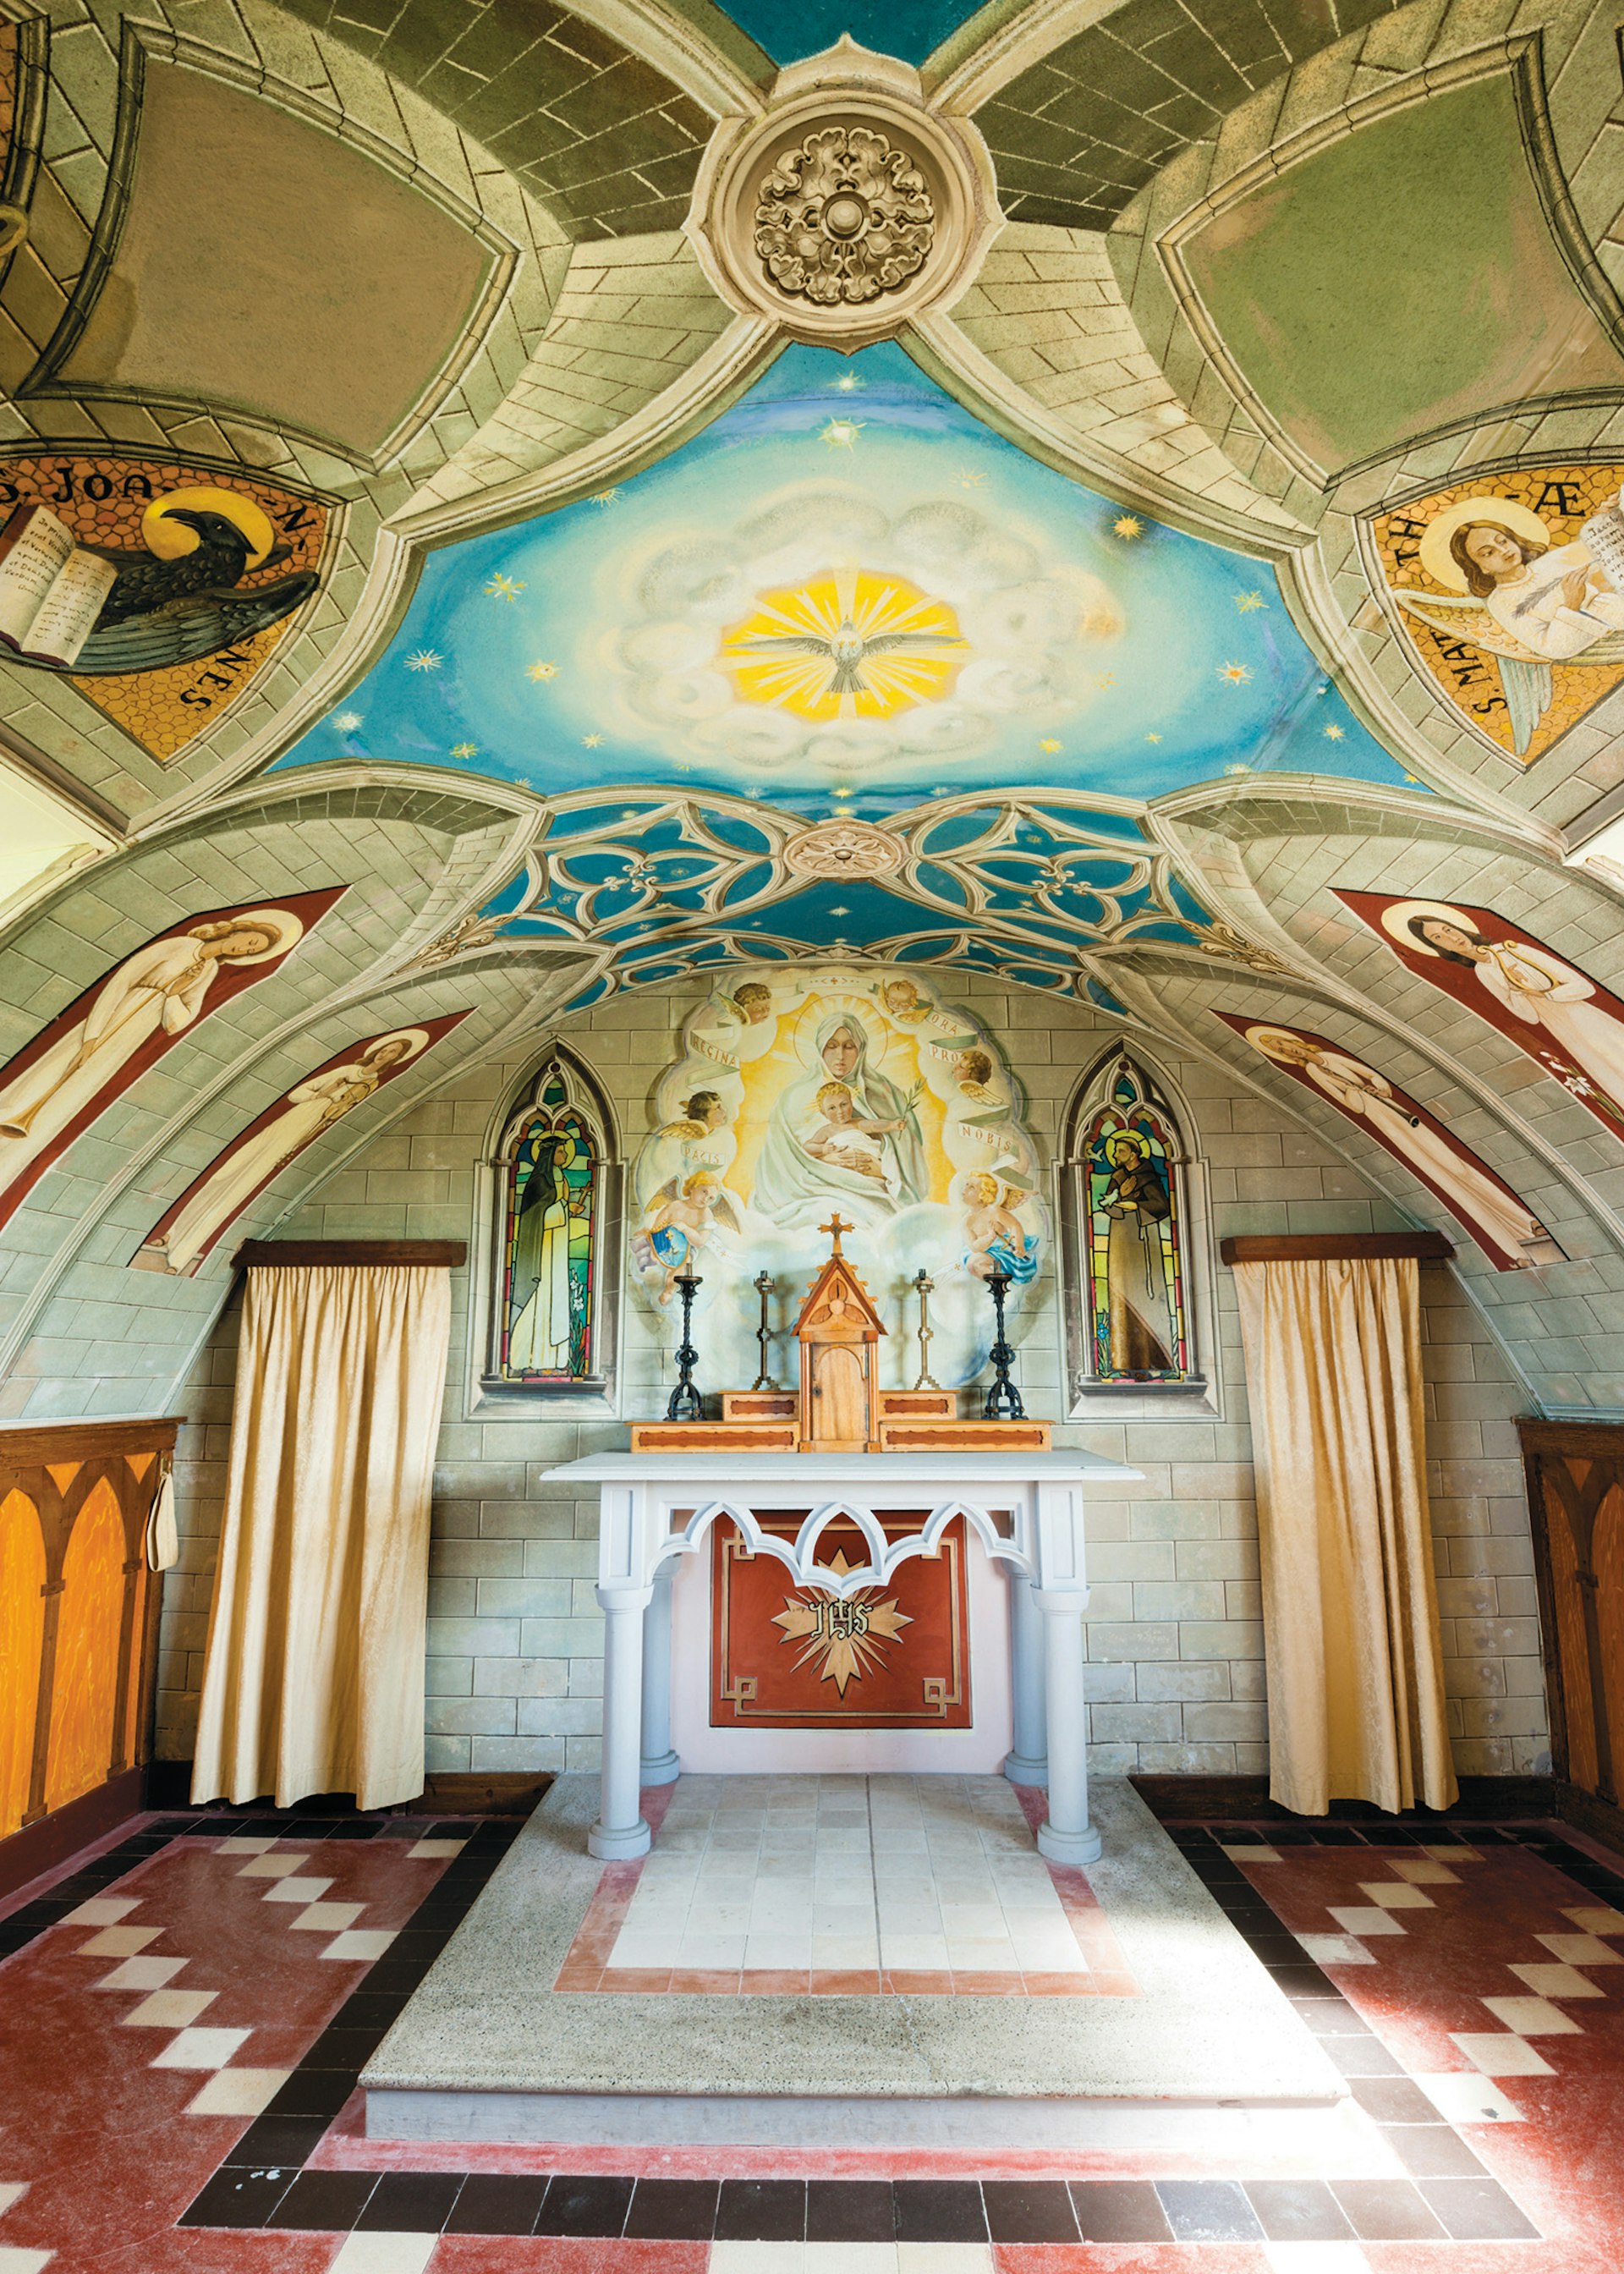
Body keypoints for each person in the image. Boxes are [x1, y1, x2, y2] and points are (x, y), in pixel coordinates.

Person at [0, 909, 299, 1207]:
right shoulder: (178, 946)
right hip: (114, 1013)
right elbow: (122, 981)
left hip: (134, 1033)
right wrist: (92, 1035)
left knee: (78, 1089)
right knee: (53, 1071)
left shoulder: (209, 971)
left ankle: (13, 1157)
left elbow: (178, 1022)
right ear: (235, 931)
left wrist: (173, 995)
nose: (245, 948)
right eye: (249, 940)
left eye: (252, 950)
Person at [1249, 1027, 1557, 1266]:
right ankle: (1511, 1247)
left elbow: (1373, 1075)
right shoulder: (1315, 1072)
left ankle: (1527, 1222)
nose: (1286, 1048)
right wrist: (1360, 1096)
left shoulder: (1330, 1058)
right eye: (1279, 1049)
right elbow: (1351, 1105)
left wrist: (1376, 1088)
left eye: (1284, 1043)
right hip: (1381, 1118)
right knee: (1446, 1184)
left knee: (1457, 1168)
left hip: (1400, 1114)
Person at [146, 1032, 420, 1275]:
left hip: (305, 1129)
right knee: (225, 1174)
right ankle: (170, 1235)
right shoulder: (348, 1069)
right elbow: (298, 1094)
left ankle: (181, 1257)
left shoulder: (371, 1086)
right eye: (386, 1048)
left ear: (397, 1058)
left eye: (394, 1052)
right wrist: (323, 1094)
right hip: (291, 1119)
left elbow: (336, 1116)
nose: (386, 1053)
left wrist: (324, 1111)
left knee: (240, 1189)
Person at [1403, 909, 1624, 1124]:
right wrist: (1517, 991)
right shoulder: (1483, 972)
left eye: (1448, 929)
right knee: (1605, 1071)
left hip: (1584, 1015)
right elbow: (1528, 1017)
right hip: (1562, 1030)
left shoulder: (1513, 949)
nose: (1451, 937)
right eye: (1438, 937)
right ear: (1437, 946)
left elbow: (1583, 986)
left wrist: (1542, 993)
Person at [754, 1009, 926, 1227]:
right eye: (832, 1046)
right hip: (811, 1191)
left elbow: (909, 1162)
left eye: (849, 1046)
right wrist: (829, 1161)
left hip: (873, 1187)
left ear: (860, 1049)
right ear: (820, 1049)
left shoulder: (886, 1094)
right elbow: (780, 1164)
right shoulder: (792, 1097)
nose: (840, 1056)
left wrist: (878, 1167)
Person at [1450, 512, 1624, 662]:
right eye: (1488, 552)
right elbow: (1554, 649)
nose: (1503, 550)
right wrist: (1572, 605)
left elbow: (1603, 544)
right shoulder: (1501, 602)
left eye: (1502, 541)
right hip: (1609, 640)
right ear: (1480, 567)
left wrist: (1606, 519)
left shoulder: (1548, 562)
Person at [1094, 1129, 1177, 1370]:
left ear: (1134, 1153)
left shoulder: (1148, 1175)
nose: (1117, 1154)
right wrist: (1120, 1200)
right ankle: (1121, 1360)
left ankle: (1157, 1360)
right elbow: (1108, 1204)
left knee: (1146, 1288)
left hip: (1143, 1239)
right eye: (1116, 1151)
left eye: (1121, 1150)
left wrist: (1135, 1205)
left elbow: (1161, 1206)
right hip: (1120, 1238)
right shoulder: (1118, 1175)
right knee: (1119, 1288)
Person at [508, 1134, 579, 1370]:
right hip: (544, 1248)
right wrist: (566, 1209)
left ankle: (557, 1360)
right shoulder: (539, 1182)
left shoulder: (561, 1177)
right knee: (544, 1298)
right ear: (549, 1156)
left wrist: (568, 1209)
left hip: (559, 1247)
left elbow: (557, 1209)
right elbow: (535, 1218)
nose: (566, 1156)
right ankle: (532, 1358)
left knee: (557, 1298)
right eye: (561, 1152)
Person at [804, 1081, 890, 1187]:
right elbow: (807, 1147)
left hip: (869, 1166)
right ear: (823, 1113)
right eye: (832, 1108)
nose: (840, 1111)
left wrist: (892, 1125)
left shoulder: (858, 1123)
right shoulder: (827, 1130)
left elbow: (874, 1125)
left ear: (851, 1103)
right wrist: (823, 1149)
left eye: (844, 1105)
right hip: (843, 1170)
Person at [962, 1172, 1038, 1283]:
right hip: (986, 1253)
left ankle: (1000, 1284)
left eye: (972, 1187)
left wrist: (1019, 1245)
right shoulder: (966, 1221)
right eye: (966, 1184)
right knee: (972, 1264)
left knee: (974, 1263)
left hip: (1006, 1251)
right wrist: (990, 1237)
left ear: (983, 1194)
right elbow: (974, 1247)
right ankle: (997, 1285)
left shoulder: (994, 1211)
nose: (965, 1189)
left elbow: (1015, 1225)